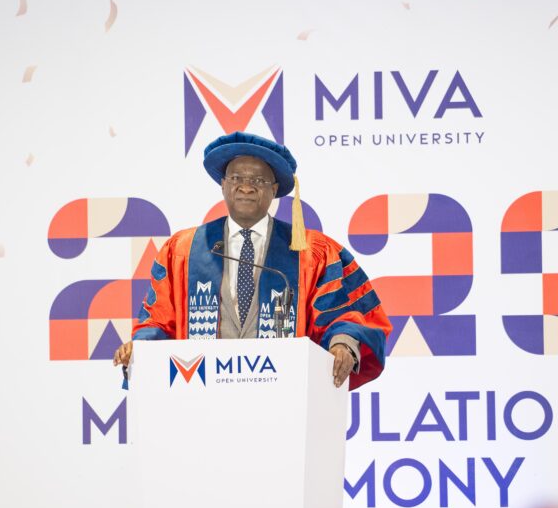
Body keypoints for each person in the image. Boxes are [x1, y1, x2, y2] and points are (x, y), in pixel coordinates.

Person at [113, 131, 391, 389]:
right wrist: (141, 348)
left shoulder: (313, 251)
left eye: (258, 180)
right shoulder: (182, 250)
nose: (245, 187)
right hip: (201, 398)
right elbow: (159, 320)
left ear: (275, 190)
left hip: (283, 398)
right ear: (223, 185)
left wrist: (342, 345)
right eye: (236, 178)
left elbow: (343, 315)